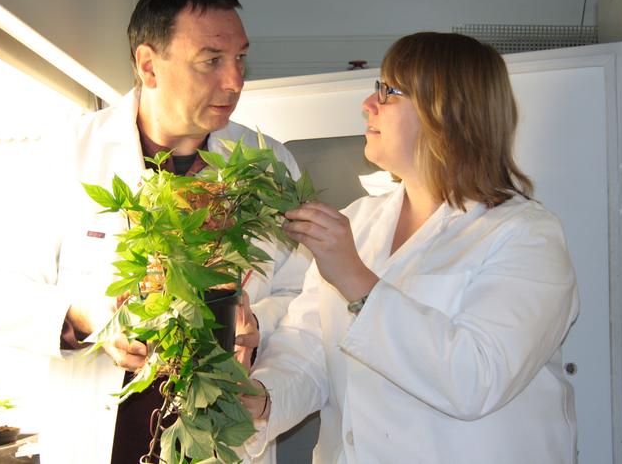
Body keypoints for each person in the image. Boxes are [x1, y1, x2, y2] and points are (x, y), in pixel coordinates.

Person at [0, 0, 310, 464]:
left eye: (240, 58)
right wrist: (85, 317)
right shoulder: (67, 153)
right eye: (211, 61)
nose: (235, 80)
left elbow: (304, 299)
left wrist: (257, 319)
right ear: (148, 65)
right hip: (104, 440)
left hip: (222, 441)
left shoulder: (270, 163)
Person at [242, 32, 580, 463]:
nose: (368, 104)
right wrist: (263, 397)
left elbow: (476, 378)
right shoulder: (360, 222)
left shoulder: (527, 236)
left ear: (447, 112)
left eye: (388, 91)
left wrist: (355, 279)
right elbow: (309, 349)